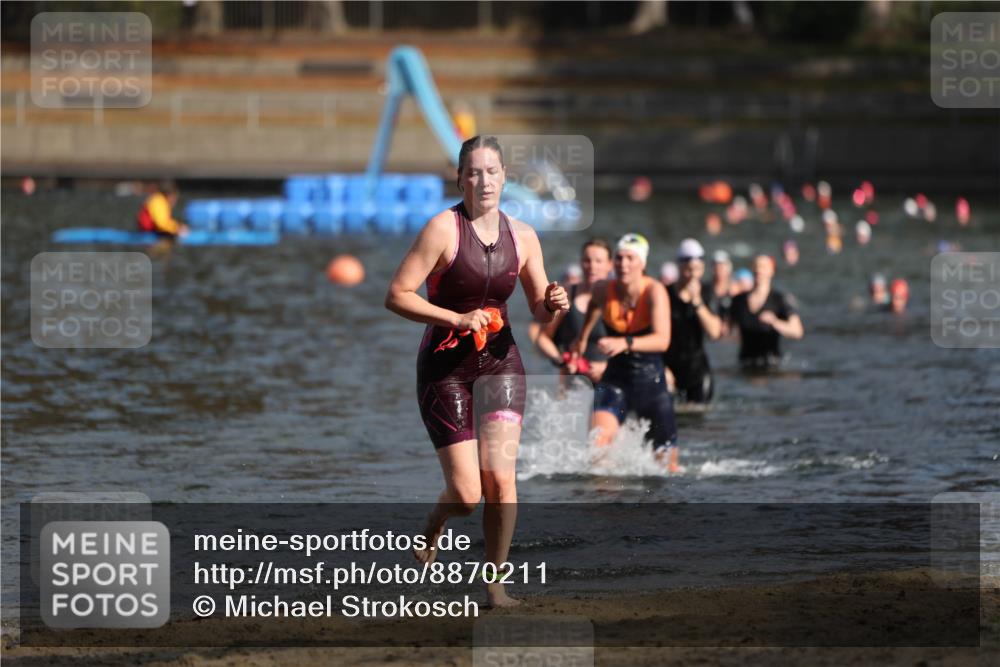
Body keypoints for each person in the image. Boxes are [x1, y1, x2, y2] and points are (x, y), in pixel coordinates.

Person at [384, 136, 569, 608]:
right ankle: (435, 522)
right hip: (446, 366)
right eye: (474, 173)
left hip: (502, 362)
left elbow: (538, 310)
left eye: (492, 171)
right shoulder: (441, 230)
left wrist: (554, 304)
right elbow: (398, 295)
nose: (484, 181)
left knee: (502, 482)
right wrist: (455, 319)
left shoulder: (524, 236)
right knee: (467, 494)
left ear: (505, 176)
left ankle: (495, 586)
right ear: (461, 178)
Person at [571, 233, 679, 472]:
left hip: (651, 382)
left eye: (630, 258)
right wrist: (582, 339)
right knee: (597, 449)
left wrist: (625, 343)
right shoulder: (602, 289)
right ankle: (605, 503)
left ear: (642, 263)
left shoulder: (654, 291)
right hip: (615, 379)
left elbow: (663, 341)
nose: (623, 264)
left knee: (668, 468)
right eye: (619, 258)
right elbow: (593, 308)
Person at [535, 238, 613, 384]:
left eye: (598, 261)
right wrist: (561, 361)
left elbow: (628, 345)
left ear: (610, 265)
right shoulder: (567, 294)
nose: (592, 266)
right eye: (587, 260)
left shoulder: (618, 298)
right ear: (581, 263)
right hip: (572, 379)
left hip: (609, 379)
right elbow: (543, 339)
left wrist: (607, 367)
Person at [663, 239, 723, 403]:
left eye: (697, 269)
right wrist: (661, 368)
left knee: (699, 419)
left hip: (697, 370)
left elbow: (715, 332)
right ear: (679, 267)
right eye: (688, 270)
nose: (693, 275)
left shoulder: (708, 293)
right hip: (668, 367)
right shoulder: (664, 294)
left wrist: (697, 302)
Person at [728, 255, 804, 368]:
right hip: (745, 363)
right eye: (756, 266)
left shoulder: (779, 299)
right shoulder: (738, 300)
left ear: (772, 271)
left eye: (763, 267)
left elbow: (797, 332)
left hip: (771, 365)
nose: (759, 270)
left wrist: (775, 322)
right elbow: (727, 331)